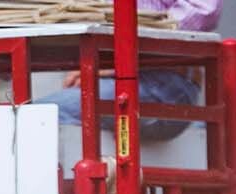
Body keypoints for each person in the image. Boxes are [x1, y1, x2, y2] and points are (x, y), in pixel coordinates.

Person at [34, 0, 221, 141]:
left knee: (40, 115)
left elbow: (202, 11)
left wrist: (117, 59)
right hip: (121, 81)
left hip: (162, 83)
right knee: (36, 114)